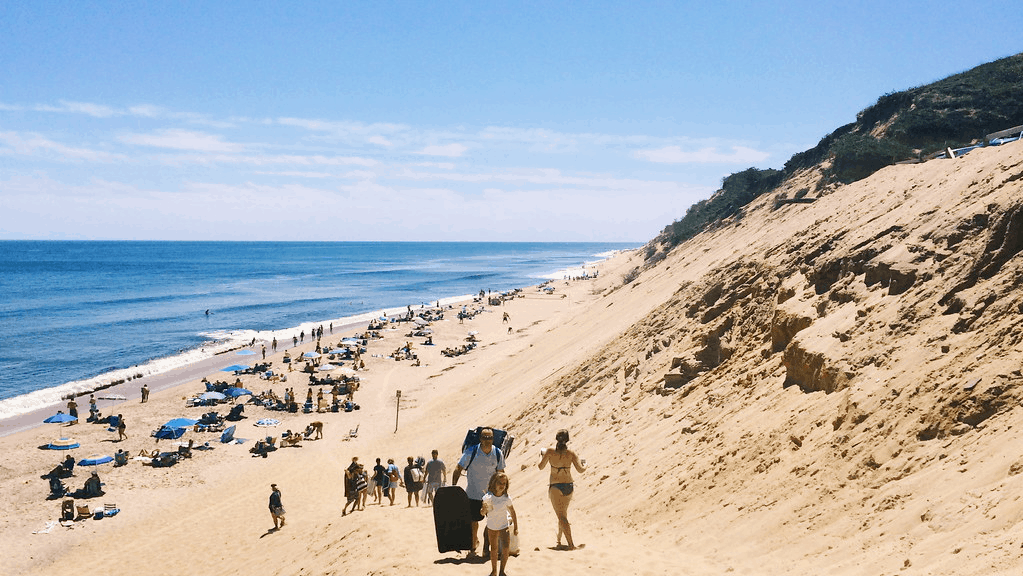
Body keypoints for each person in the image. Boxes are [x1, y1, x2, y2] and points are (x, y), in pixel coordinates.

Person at [453, 428, 506, 557]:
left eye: (490, 438)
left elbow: (501, 474)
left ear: (493, 439)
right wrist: (453, 487)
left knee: (492, 523)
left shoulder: (498, 453)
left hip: (491, 495)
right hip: (473, 494)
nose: (487, 441)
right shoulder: (471, 451)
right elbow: (458, 468)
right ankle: (472, 548)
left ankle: (486, 548)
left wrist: (502, 491)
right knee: (473, 522)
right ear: (480, 439)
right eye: (485, 438)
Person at [538, 429, 586, 550]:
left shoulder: (549, 452)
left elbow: (540, 467)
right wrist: (586, 464)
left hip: (556, 486)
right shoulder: (571, 453)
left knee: (561, 516)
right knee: (562, 514)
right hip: (568, 486)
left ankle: (571, 544)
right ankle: (559, 540)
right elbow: (581, 470)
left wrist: (541, 456)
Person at [482, 472, 518, 576]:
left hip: (504, 525)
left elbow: (513, 512)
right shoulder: (487, 497)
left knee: (506, 548)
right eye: (499, 483)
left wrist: (516, 527)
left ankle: (502, 570)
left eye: (504, 484)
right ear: (494, 483)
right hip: (492, 526)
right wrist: (483, 509)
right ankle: (494, 570)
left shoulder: (506, 498)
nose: (502, 486)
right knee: (494, 549)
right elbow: (482, 512)